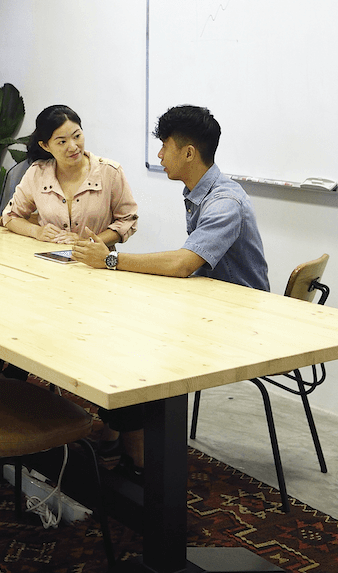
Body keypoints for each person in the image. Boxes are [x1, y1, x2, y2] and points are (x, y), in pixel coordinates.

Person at [71, 104, 269, 475]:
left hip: (237, 321)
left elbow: (183, 263)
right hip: (209, 304)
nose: (159, 155)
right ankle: (117, 432)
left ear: (189, 152)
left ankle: (142, 463)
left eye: (164, 146)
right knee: (120, 324)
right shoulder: (200, 192)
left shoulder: (225, 202)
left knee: (134, 347)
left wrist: (110, 260)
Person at [1, 104, 138, 246]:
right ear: (45, 146)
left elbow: (127, 220)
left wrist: (87, 242)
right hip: (47, 260)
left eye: (77, 136)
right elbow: (11, 216)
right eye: (62, 142)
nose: (73, 147)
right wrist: (37, 231)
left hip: (96, 262)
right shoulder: (37, 173)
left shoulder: (110, 172)